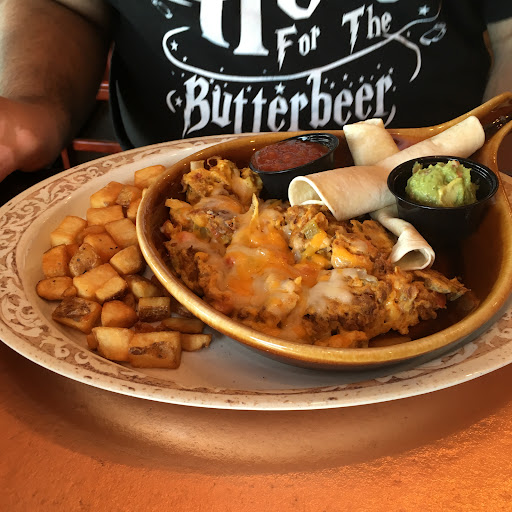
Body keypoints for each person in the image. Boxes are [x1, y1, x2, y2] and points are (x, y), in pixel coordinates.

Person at [0, 0, 511, 185]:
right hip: (170, 196)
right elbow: (66, 5)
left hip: (439, 191)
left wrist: (500, 152)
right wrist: (33, 105)